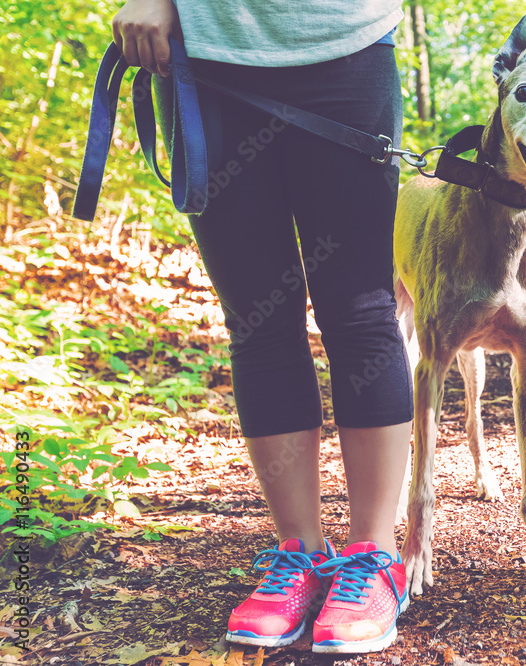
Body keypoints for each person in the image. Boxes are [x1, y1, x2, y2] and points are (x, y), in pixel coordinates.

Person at [111, 0, 414, 655]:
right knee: (257, 320)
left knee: (361, 310)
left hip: (346, 47)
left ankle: (375, 556)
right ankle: (299, 553)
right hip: (204, 57)